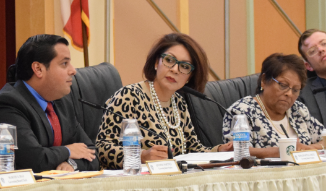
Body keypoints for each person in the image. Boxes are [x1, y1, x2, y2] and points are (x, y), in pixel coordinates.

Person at [96, 33, 232, 169]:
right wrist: (141, 156)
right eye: (169, 60)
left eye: (185, 67)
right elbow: (102, 148)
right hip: (133, 178)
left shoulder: (179, 103)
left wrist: (219, 151)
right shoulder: (129, 96)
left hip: (172, 177)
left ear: (190, 77)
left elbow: (193, 149)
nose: (175, 70)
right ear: (157, 63)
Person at [0, 35, 98, 172]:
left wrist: (71, 164)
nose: (73, 70)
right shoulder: (8, 104)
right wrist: (67, 151)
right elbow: (33, 162)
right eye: (64, 64)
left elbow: (91, 153)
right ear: (38, 69)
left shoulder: (61, 101)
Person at [222, 53, 324, 158]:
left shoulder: (298, 110)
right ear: (264, 80)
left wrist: (308, 149)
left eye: (295, 90)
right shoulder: (240, 112)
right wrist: (281, 151)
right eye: (283, 85)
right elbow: (235, 150)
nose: (289, 94)